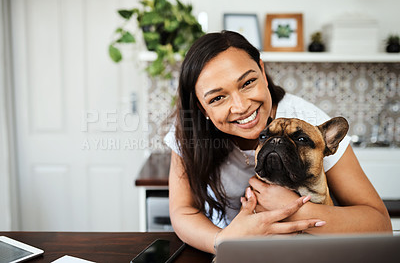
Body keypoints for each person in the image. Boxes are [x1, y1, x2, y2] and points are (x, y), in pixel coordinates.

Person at [164, 31, 392, 254]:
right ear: (200, 107)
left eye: (248, 82)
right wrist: (222, 240)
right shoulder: (189, 130)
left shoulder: (309, 124)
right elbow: (182, 210)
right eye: (217, 98)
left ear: (262, 72)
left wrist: (295, 211)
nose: (241, 106)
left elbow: (380, 225)